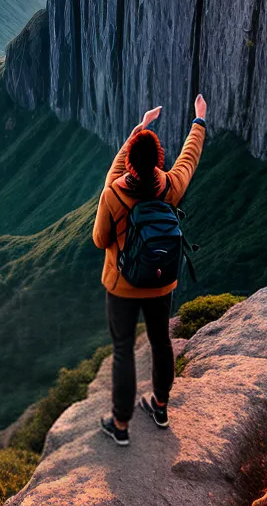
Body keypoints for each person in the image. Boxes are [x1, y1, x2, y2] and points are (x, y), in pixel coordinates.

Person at [92, 95, 207, 446]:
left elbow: (100, 239)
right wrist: (199, 121)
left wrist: (139, 128)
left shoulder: (114, 194)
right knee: (161, 343)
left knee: (123, 350)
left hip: (122, 286)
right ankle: (159, 408)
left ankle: (121, 426)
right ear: (158, 161)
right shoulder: (169, 185)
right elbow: (189, 160)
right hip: (161, 283)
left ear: (129, 161)